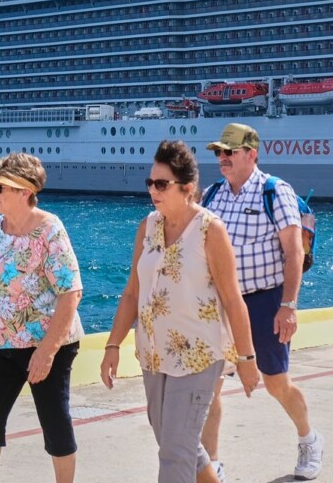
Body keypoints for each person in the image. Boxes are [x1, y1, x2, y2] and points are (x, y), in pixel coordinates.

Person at [100, 141, 261, 482]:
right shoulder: (148, 227)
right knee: (175, 441)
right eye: (150, 183)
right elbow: (132, 291)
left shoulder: (209, 230)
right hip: (154, 355)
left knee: (175, 452)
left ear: (187, 189)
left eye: (162, 184)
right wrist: (113, 345)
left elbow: (233, 300)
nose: (153, 191)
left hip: (199, 356)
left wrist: (247, 360)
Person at [200, 123, 322, 481]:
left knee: (276, 383)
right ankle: (213, 463)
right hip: (222, 303)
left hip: (265, 301)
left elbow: (293, 252)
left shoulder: (274, 191)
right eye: (219, 152)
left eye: (230, 152)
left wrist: (289, 306)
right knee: (212, 386)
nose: (222, 158)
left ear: (251, 154)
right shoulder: (212, 195)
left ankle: (309, 439)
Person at [0, 153, 83, 483]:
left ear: (24, 191)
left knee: (54, 422)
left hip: (47, 343)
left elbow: (71, 292)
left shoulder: (50, 230)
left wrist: (47, 351)